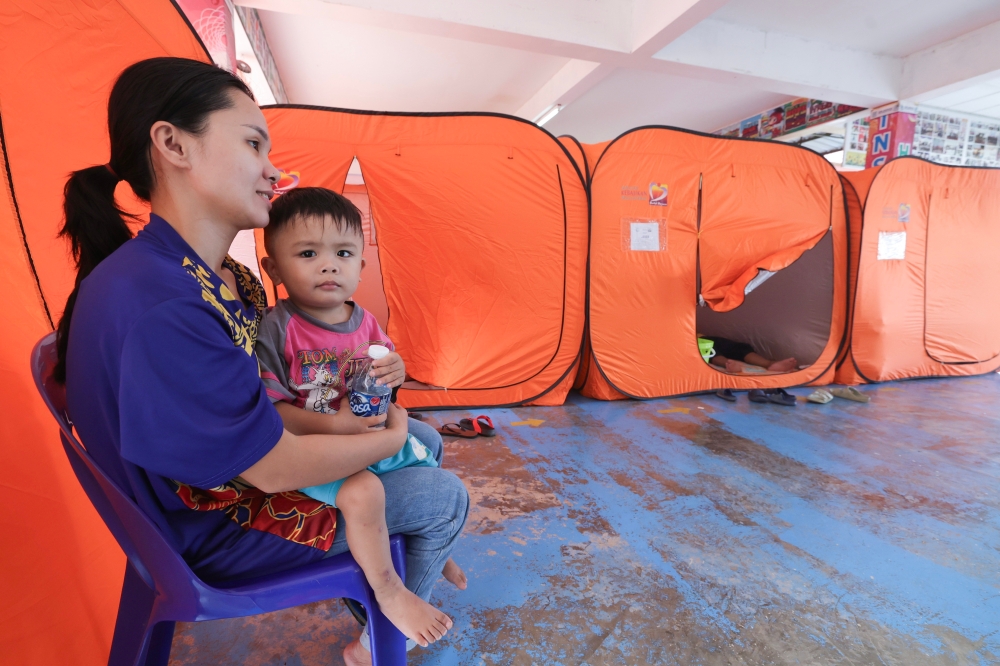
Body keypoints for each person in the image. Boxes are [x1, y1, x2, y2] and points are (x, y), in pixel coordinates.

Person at [57, 57, 468, 665]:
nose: (273, 170)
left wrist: (372, 405)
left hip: (221, 483)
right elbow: (275, 469)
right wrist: (388, 438)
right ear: (173, 144)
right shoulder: (165, 304)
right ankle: (388, 611)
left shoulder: (214, 279)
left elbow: (271, 399)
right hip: (216, 526)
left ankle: (406, 560)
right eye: (253, 142)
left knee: (422, 443)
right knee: (442, 495)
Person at [254, 187, 466, 647]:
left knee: (426, 439)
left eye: (344, 253)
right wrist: (336, 426)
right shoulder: (277, 328)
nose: (329, 264)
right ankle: (384, 611)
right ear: (273, 268)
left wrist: (398, 369)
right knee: (366, 491)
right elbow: (273, 413)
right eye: (308, 252)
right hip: (313, 453)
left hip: (356, 438)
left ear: (360, 267)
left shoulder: (364, 320)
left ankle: (430, 539)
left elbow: (385, 370)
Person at [702, 336, 798, 373]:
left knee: (740, 348)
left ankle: (769, 364)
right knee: (706, 348)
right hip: (693, 342)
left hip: (700, 336)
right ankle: (728, 364)